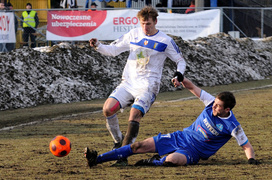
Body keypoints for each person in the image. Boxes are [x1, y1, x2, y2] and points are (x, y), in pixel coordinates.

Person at [84, 77, 260, 167]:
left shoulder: (233, 126)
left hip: (193, 152)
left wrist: (251, 160)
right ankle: (97, 159)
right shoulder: (210, 103)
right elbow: (192, 87)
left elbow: (247, 146)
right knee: (137, 147)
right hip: (179, 137)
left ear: (227, 110)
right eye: (214, 104)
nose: (213, 108)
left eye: (218, 106)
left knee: (172, 161)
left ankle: (152, 162)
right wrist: (181, 79)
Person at [89, 6, 186, 166]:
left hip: (148, 86)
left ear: (155, 21)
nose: (145, 27)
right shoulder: (133, 34)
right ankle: (118, 142)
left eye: (148, 24)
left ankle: (122, 157)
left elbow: (180, 60)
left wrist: (178, 75)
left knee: (134, 115)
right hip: (128, 83)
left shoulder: (165, 40)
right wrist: (98, 45)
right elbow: (113, 50)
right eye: (142, 24)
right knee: (107, 109)